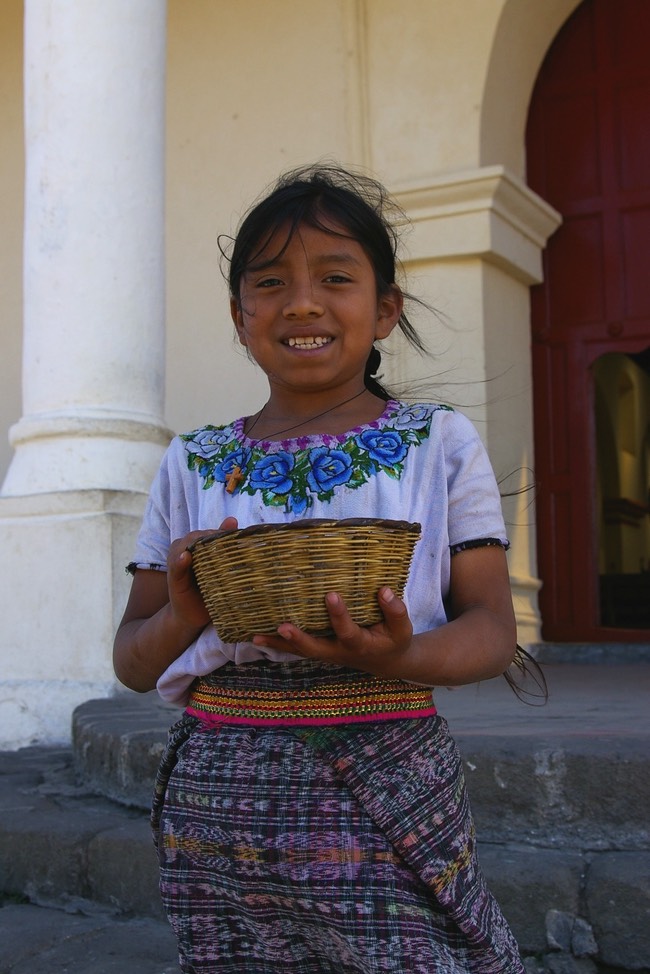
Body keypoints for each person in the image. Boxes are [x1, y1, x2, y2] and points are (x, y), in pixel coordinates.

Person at [114, 163, 527, 973]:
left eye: (335, 278)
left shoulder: (436, 442)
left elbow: (492, 630)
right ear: (240, 318)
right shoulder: (193, 462)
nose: (301, 301)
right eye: (270, 283)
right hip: (220, 798)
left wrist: (401, 655)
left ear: (384, 311)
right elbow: (132, 658)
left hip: (385, 773)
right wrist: (186, 615)